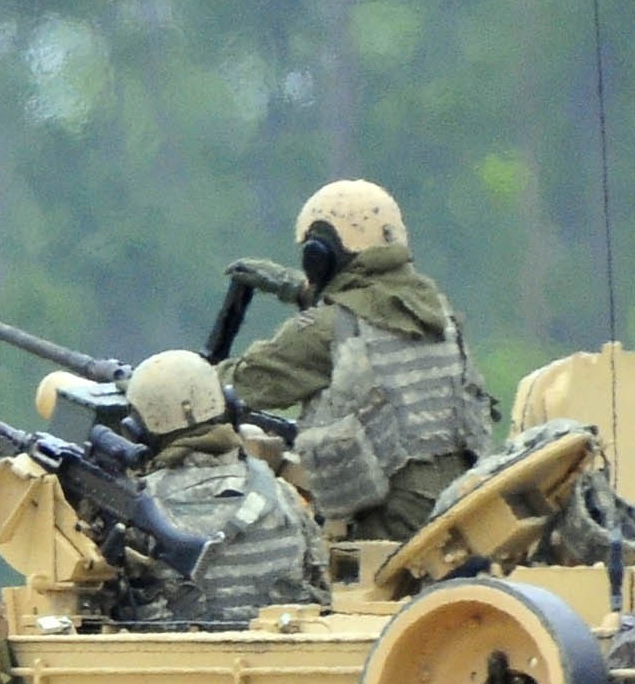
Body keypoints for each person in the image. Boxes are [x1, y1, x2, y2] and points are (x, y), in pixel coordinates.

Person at [212, 178, 498, 547]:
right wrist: (297, 289)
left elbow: (237, 386)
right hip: (461, 505)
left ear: (321, 255)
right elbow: (370, 306)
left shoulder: (326, 329)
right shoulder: (435, 310)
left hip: (386, 520)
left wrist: (158, 382)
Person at [98, 350, 325, 628]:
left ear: (136, 430)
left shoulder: (138, 509)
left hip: (183, 665)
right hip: (282, 662)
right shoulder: (285, 495)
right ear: (227, 406)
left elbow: (104, 605)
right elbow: (321, 594)